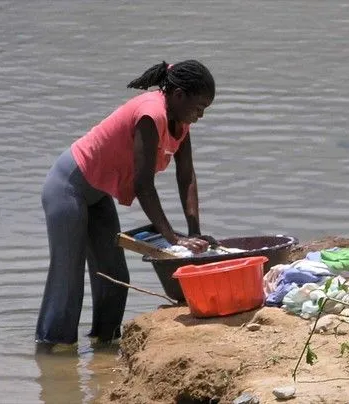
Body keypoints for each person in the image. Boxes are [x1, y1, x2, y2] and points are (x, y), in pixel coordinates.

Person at [35, 60, 216, 350]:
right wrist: (172, 237)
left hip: (96, 193)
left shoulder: (180, 122)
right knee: (68, 276)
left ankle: (103, 348)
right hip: (68, 187)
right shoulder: (151, 114)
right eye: (199, 107)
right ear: (179, 95)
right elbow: (144, 186)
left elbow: (187, 175)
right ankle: (52, 352)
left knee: (114, 276)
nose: (201, 115)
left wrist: (193, 232)